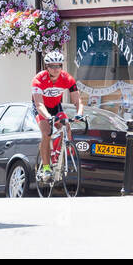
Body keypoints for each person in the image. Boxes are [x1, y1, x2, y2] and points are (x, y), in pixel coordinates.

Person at [31, 50, 84, 182]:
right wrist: (48, 117)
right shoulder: (38, 79)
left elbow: (78, 101)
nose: (56, 69)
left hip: (56, 106)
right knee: (47, 132)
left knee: (66, 126)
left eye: (58, 66)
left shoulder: (67, 79)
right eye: (52, 66)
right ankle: (46, 167)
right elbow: (38, 104)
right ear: (46, 67)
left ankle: (58, 154)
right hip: (42, 108)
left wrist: (79, 114)